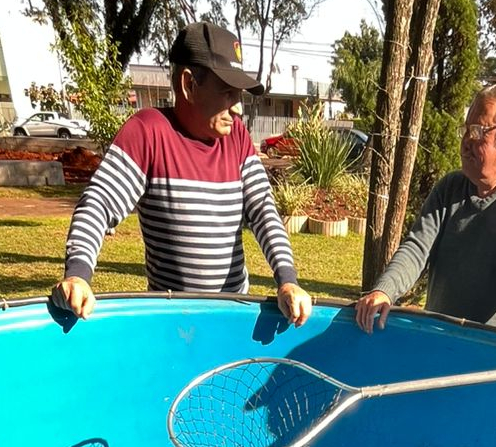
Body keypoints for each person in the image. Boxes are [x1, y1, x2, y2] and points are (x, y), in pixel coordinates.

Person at [51, 22, 312, 326]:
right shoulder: (148, 132)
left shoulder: (237, 137)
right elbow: (98, 204)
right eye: (228, 93)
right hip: (172, 321)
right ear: (188, 85)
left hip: (231, 316)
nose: (238, 108)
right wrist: (78, 276)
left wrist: (287, 279)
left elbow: (263, 210)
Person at [354, 83, 496, 363]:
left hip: (494, 351)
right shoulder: (450, 187)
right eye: (465, 130)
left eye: (478, 132)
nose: (466, 141)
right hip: (438, 341)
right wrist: (384, 290)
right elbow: (417, 248)